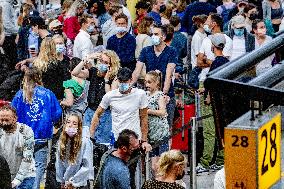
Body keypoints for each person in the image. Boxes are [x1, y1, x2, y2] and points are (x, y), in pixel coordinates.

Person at [11, 68, 62, 189]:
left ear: (25, 78)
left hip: (23, 137)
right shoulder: (48, 94)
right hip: (42, 137)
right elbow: (57, 114)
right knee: (39, 167)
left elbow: (12, 112)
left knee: (22, 165)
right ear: (40, 77)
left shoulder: (20, 95)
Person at [90, 67, 150, 150]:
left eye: (125, 81)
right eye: (120, 81)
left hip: (134, 140)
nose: (122, 84)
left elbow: (144, 117)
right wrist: (91, 136)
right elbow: (97, 114)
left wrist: (144, 140)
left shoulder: (140, 94)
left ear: (131, 80)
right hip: (117, 139)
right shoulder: (110, 96)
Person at [132, 24, 177, 128]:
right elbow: (136, 72)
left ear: (163, 37)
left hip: (167, 94)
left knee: (166, 128)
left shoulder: (171, 51)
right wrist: (128, 87)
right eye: (151, 34)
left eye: (156, 34)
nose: (153, 36)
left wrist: (163, 94)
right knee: (147, 126)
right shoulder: (146, 50)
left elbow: (169, 74)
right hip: (148, 95)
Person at [72, 50, 120, 144]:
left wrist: (106, 80)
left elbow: (111, 97)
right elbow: (75, 72)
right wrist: (87, 58)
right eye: (101, 61)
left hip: (105, 114)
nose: (102, 64)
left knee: (101, 143)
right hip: (90, 111)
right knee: (86, 141)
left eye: (106, 63)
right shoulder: (93, 71)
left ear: (111, 65)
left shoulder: (114, 77)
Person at [0, 105, 36, 189]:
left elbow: (27, 158)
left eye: (7, 120)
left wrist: (17, 180)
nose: (4, 123)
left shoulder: (26, 131)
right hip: (5, 175)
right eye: (1, 120)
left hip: (26, 176)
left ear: (15, 118)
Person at [56, 114, 93, 189]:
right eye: (68, 122)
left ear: (79, 127)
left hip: (80, 184)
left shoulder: (85, 142)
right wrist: (62, 181)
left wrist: (73, 182)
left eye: (74, 123)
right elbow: (59, 164)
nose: (70, 125)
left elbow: (87, 166)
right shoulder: (61, 142)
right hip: (66, 184)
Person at [145, 71, 170, 176]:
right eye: (145, 82)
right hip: (151, 135)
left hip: (161, 135)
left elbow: (163, 112)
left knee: (162, 165)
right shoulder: (145, 95)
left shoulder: (159, 95)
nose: (147, 85)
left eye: (149, 82)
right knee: (154, 167)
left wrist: (148, 111)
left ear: (156, 83)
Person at [0, 0, 18, 67]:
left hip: (8, 37)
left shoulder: (8, 4)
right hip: (8, 38)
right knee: (12, 62)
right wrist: (19, 31)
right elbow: (7, 24)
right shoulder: (6, 5)